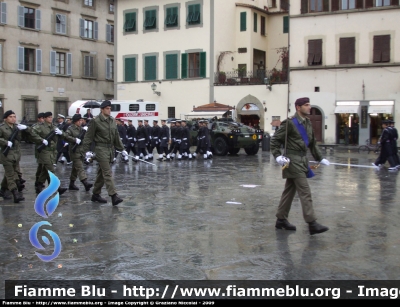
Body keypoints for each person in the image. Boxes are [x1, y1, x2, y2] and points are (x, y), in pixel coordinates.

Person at [270, 97, 330, 235]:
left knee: (289, 191)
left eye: (309, 105)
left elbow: (313, 143)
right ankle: (312, 223)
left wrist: (320, 158)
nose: (309, 107)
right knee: (305, 191)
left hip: (302, 161)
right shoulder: (290, 123)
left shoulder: (308, 123)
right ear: (298, 107)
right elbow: (275, 140)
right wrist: (277, 156)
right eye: (306, 105)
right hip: (292, 161)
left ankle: (281, 219)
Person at [82, 100, 127, 206]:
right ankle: (114, 196)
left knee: (101, 174)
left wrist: (122, 149)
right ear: (102, 109)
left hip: (110, 150)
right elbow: (88, 137)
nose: (109, 110)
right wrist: (86, 151)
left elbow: (116, 136)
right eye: (107, 108)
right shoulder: (96, 121)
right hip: (100, 149)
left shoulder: (112, 120)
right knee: (107, 173)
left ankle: (95, 194)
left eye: (110, 108)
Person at [30, 112, 68, 195]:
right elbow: (32, 133)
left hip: (52, 151)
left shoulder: (54, 127)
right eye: (48, 117)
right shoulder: (40, 127)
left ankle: (39, 185)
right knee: (51, 169)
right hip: (44, 151)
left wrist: (61, 133)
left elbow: (63, 136)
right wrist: (41, 140)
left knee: (44, 170)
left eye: (51, 117)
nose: (50, 118)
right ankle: (57, 187)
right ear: (45, 118)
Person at [0, 110, 29, 203]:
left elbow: (27, 136)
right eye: (11, 117)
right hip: (6, 154)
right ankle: (15, 193)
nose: (13, 119)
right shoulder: (2, 127)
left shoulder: (17, 127)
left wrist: (26, 128)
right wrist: (5, 142)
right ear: (5, 118)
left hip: (16, 155)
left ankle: (2, 190)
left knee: (9, 173)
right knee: (10, 175)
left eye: (14, 116)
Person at [63, 114, 93, 191]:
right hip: (74, 151)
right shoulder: (71, 128)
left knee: (75, 168)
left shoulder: (81, 129)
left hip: (81, 151)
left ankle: (71, 184)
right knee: (80, 167)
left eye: (81, 120)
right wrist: (75, 140)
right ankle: (85, 183)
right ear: (76, 121)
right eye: (79, 120)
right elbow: (66, 136)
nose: (81, 122)